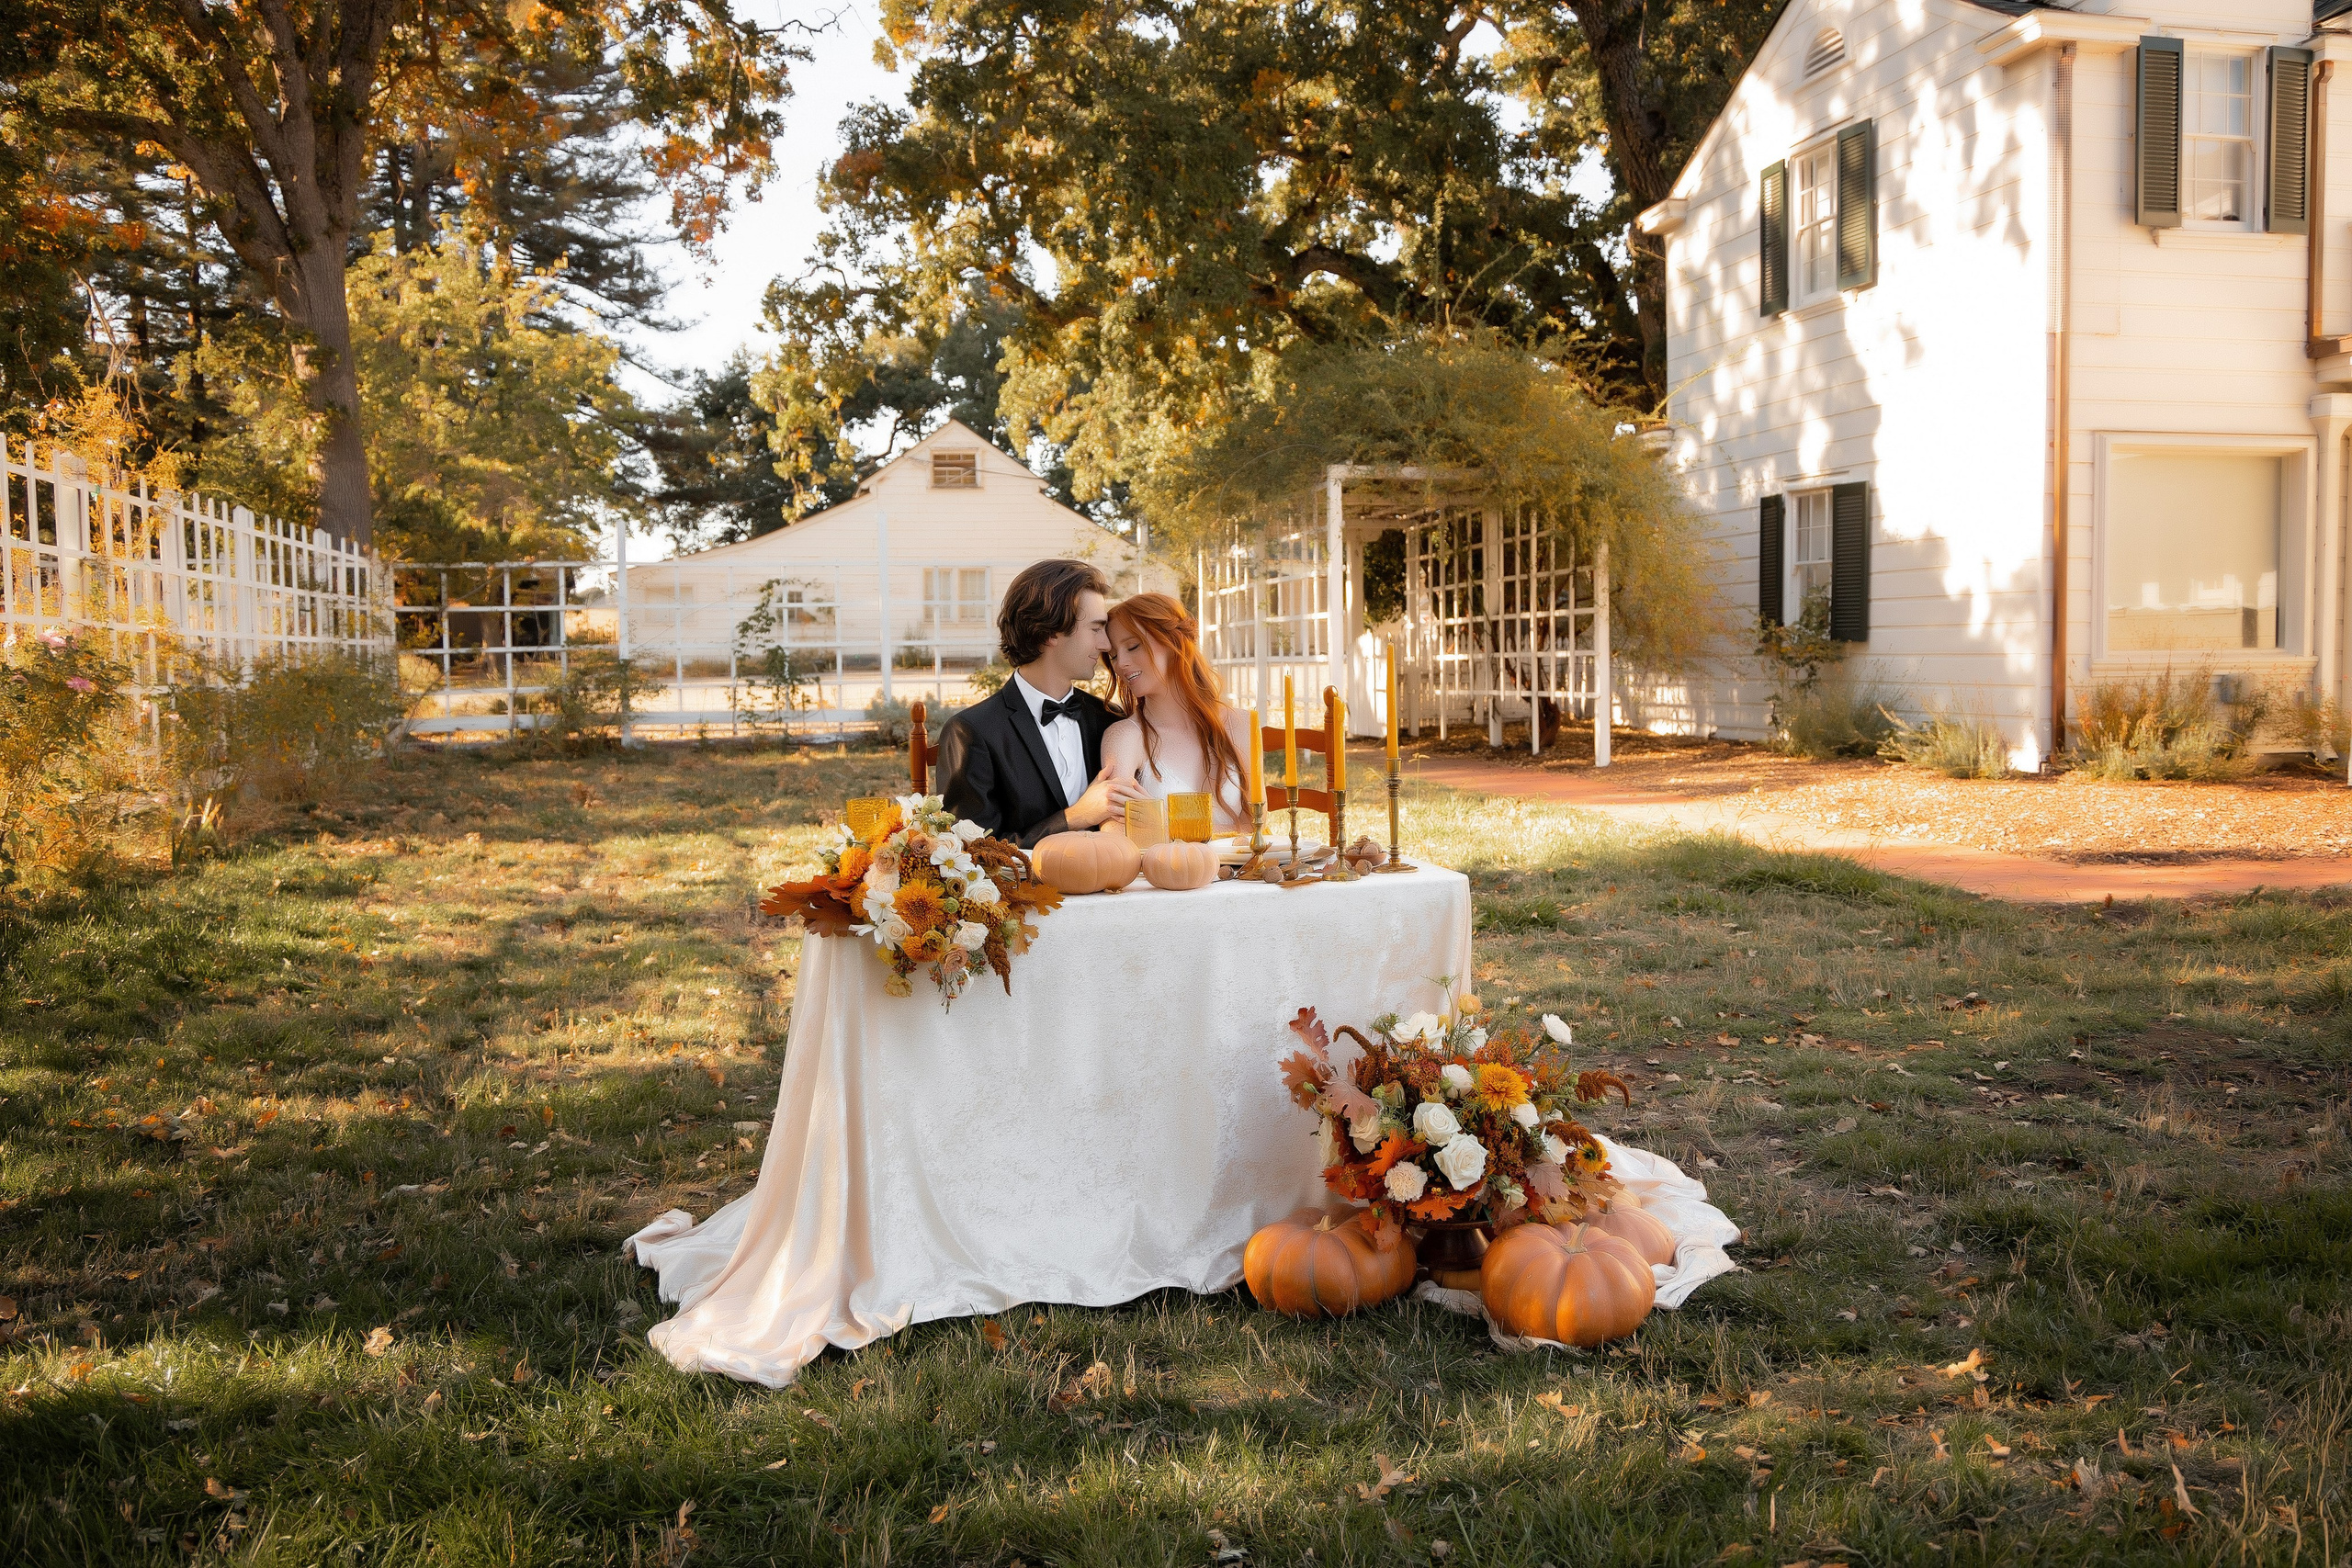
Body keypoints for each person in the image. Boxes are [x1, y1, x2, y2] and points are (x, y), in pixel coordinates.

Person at [934, 559, 1144, 847]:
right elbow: (971, 851)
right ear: (1049, 632)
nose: (1106, 645)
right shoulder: (971, 732)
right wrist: (1073, 818)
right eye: (1096, 629)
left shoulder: (1110, 720)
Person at [1099, 592, 1256, 834]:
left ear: (1173, 641)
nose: (1121, 664)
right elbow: (1114, 829)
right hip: (1161, 872)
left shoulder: (1241, 724)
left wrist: (1160, 823)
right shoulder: (1126, 736)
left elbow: (1256, 826)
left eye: (1133, 646)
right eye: (1114, 656)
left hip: (1238, 872)